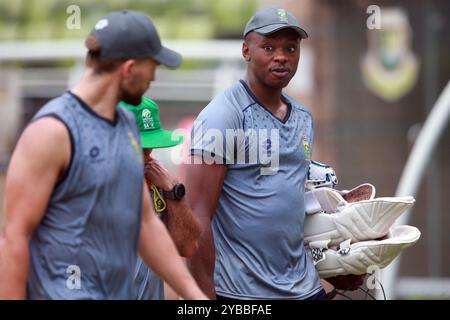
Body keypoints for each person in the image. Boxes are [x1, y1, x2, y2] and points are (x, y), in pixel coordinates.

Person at [0, 11, 206, 300]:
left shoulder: (127, 126)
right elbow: (14, 239)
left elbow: (146, 223)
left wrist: (194, 296)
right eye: (152, 67)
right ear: (130, 68)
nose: (154, 78)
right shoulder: (52, 132)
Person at [185, 7, 363, 300]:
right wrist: (204, 296)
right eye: (268, 47)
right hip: (242, 293)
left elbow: (294, 200)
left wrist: (336, 263)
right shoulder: (223, 115)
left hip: (304, 288)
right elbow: (196, 214)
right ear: (246, 51)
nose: (281, 56)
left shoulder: (303, 117)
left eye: (290, 48)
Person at [120, 97, 202, 300]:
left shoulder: (156, 184)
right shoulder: (89, 186)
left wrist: (174, 192)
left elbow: (188, 246)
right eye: (141, 147)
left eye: (151, 146)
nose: (148, 155)